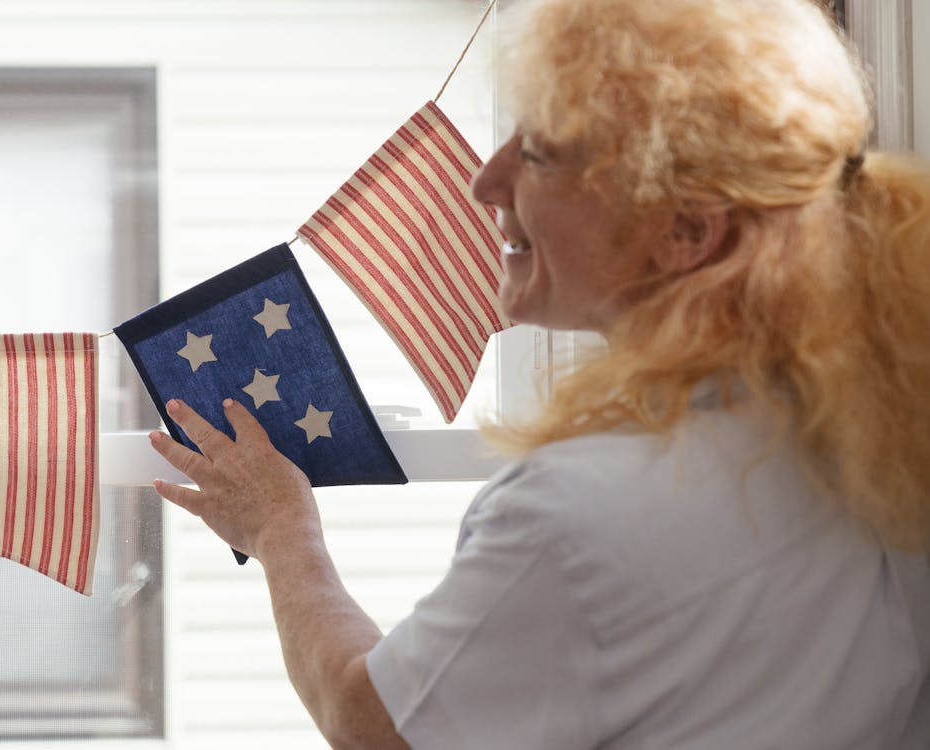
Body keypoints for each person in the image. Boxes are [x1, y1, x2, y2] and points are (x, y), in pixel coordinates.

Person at [149, 0, 930, 746]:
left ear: (685, 231)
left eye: (537, 154)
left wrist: (282, 534)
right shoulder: (876, 421)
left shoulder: (575, 514)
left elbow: (370, 726)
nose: (483, 183)